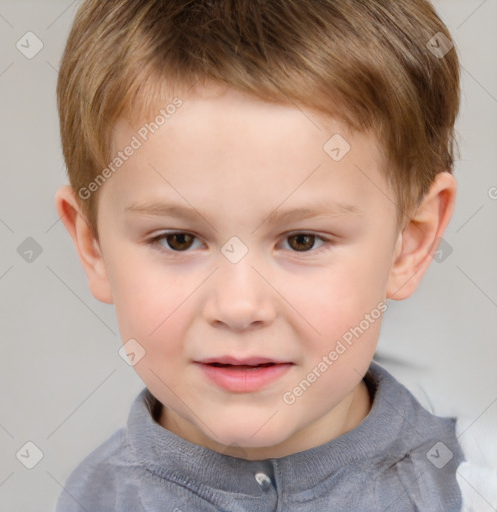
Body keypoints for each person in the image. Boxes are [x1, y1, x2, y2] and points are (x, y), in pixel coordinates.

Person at [53, 0, 465, 510]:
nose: (239, 307)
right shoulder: (94, 498)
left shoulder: (466, 487)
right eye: (178, 240)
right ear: (92, 245)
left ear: (411, 242)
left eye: (301, 241)